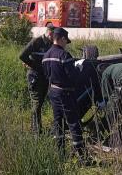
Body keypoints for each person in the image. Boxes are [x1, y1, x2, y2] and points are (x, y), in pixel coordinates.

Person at [42, 28, 94, 163]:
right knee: (73, 123)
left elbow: (46, 75)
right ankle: (83, 158)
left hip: (53, 92)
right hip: (65, 93)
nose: (66, 44)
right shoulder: (64, 56)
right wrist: (79, 70)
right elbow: (74, 77)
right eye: (66, 41)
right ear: (62, 39)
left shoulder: (46, 55)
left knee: (58, 123)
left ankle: (60, 155)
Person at [19, 23, 55, 134]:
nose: (55, 38)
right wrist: (33, 65)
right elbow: (22, 56)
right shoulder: (36, 41)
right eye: (54, 35)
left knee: (43, 102)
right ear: (49, 33)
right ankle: (36, 132)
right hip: (35, 76)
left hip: (45, 77)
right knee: (36, 103)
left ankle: (38, 127)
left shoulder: (51, 44)